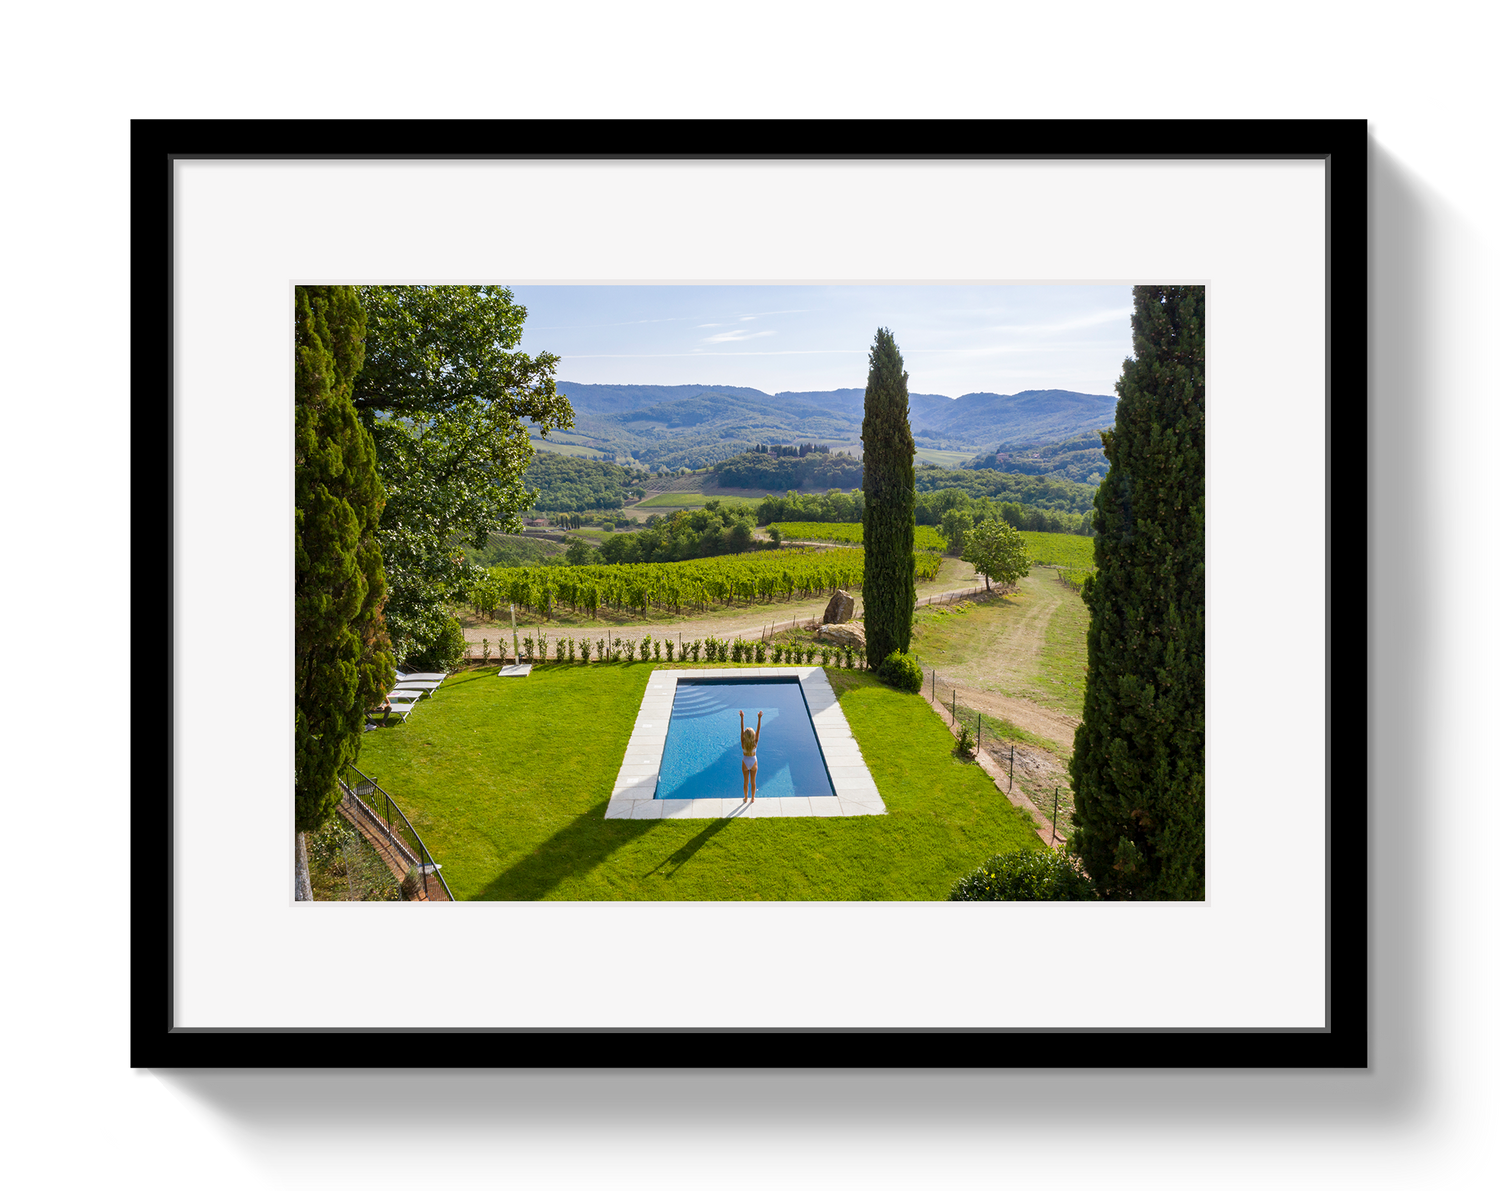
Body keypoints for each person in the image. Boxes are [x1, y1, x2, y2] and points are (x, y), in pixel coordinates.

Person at [739, 710, 762, 803]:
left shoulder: (743, 742)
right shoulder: (755, 742)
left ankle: (745, 798)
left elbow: (741, 729)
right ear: (753, 735)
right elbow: (759, 729)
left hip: (745, 762)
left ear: (745, 736)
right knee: (753, 782)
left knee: (745, 782)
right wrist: (759, 718)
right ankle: (752, 798)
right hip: (753, 762)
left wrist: (742, 718)